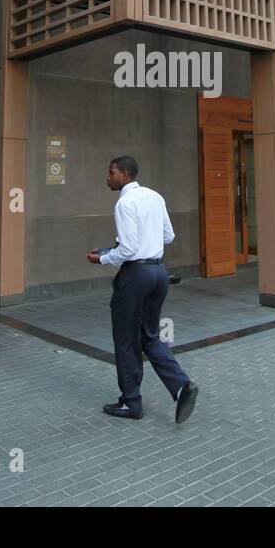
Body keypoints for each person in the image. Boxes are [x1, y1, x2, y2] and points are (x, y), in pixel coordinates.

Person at [87, 156, 199, 423]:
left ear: (125, 175)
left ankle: (131, 403)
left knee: (126, 338)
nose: (108, 177)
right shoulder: (155, 196)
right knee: (149, 336)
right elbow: (169, 236)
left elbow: (127, 249)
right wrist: (145, 243)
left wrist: (102, 258)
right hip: (159, 273)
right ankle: (182, 385)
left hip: (136, 276)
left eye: (111, 172)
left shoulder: (125, 202)